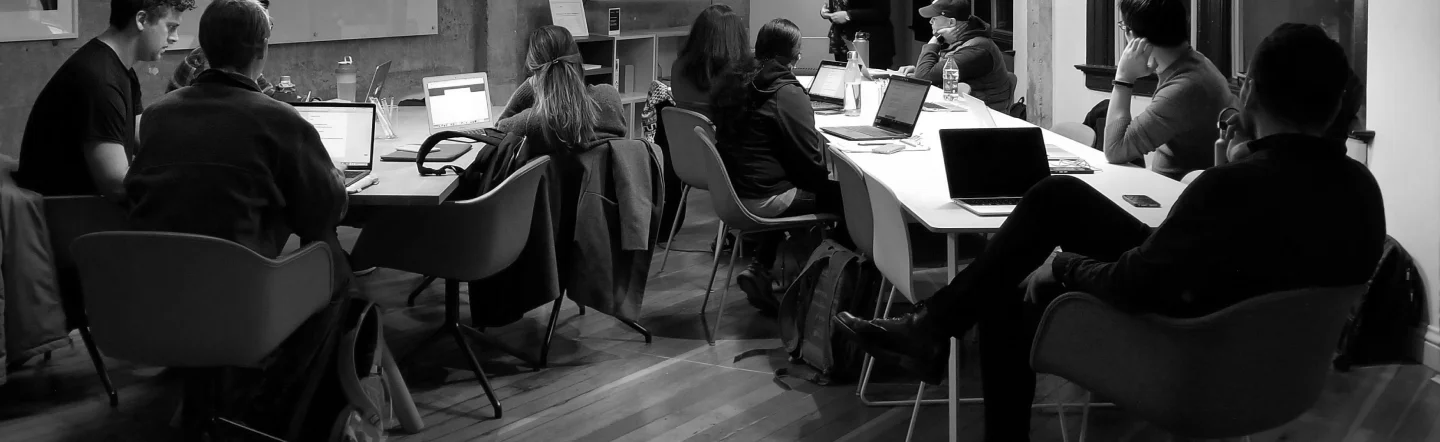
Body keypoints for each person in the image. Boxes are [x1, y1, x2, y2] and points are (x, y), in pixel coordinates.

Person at [836, 23, 1385, 442]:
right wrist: (1235, 163)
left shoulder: (1235, 187)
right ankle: (933, 327)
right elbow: (1242, 252)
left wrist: (1062, 266)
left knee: (1012, 287)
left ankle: (936, 334)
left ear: (1251, 93)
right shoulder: (1362, 190)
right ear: (1335, 105)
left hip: (1184, 350)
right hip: (1276, 363)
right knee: (1058, 195)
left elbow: (1135, 283)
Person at [124, 0, 351, 289]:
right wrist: (335, 176)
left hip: (154, 283)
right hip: (242, 290)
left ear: (204, 46)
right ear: (262, 48)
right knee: (322, 236)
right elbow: (324, 211)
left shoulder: (156, 115)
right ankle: (340, 305)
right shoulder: (280, 119)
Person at [711, 19, 843, 311]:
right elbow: (811, 166)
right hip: (763, 198)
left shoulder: (736, 82)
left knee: (789, 179)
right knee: (852, 201)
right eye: (799, 51)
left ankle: (760, 267)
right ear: (792, 56)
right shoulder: (786, 93)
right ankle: (822, 290)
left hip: (733, 191)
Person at [14, 0, 195, 200]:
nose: (175, 38)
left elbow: (143, 138)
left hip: (84, 207)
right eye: (171, 27)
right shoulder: (99, 79)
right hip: (64, 212)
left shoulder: (121, 70)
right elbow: (117, 185)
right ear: (141, 20)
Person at [1102, 0, 1235, 180]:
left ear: (1138, 41)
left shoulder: (1183, 88)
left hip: (1174, 192)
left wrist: (1123, 78)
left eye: (1124, 28)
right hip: (1168, 183)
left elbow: (1114, 150)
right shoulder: (1197, 64)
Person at [495, 25, 627, 158]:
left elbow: (498, 132)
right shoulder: (609, 99)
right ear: (578, 60)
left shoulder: (532, 122)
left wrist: (530, 85)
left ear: (535, 69)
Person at [898, 0, 1014, 111]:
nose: (930, 22)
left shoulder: (977, 49)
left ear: (951, 22)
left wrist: (935, 40)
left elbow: (923, 78)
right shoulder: (962, 41)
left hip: (984, 117)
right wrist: (920, 69)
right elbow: (932, 74)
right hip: (961, 109)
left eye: (934, 18)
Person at [670, 5, 749, 119]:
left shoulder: (678, 67)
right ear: (737, 38)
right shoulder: (735, 77)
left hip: (684, 130)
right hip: (720, 130)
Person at [822, 0, 896, 69]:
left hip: (870, 44)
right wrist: (828, 13)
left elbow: (882, 12)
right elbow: (840, 9)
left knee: (870, 77)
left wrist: (849, 15)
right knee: (846, 75)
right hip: (842, 42)